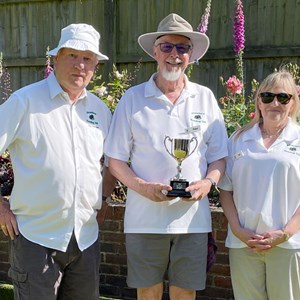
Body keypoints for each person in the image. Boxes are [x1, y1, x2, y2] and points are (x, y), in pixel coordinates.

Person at [104, 13, 228, 300]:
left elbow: (220, 157)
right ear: (155, 52)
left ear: (191, 55)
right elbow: (116, 161)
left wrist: (208, 183)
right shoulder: (132, 99)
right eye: (167, 47)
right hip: (144, 218)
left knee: (185, 292)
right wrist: (143, 188)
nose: (174, 55)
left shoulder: (205, 98)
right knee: (148, 291)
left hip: (193, 220)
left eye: (182, 48)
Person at [0, 23, 116, 300]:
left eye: (87, 58)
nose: (80, 65)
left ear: (95, 66)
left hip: (86, 239)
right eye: (72, 55)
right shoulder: (24, 101)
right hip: (35, 236)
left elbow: (112, 161)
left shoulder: (100, 110)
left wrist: (103, 196)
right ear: (56, 58)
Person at [218, 70, 300, 300]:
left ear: (292, 103)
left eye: (283, 97)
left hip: (288, 244)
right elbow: (226, 189)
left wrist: (285, 233)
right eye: (267, 97)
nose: (274, 103)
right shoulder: (238, 138)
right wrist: (237, 229)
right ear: (258, 102)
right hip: (244, 243)